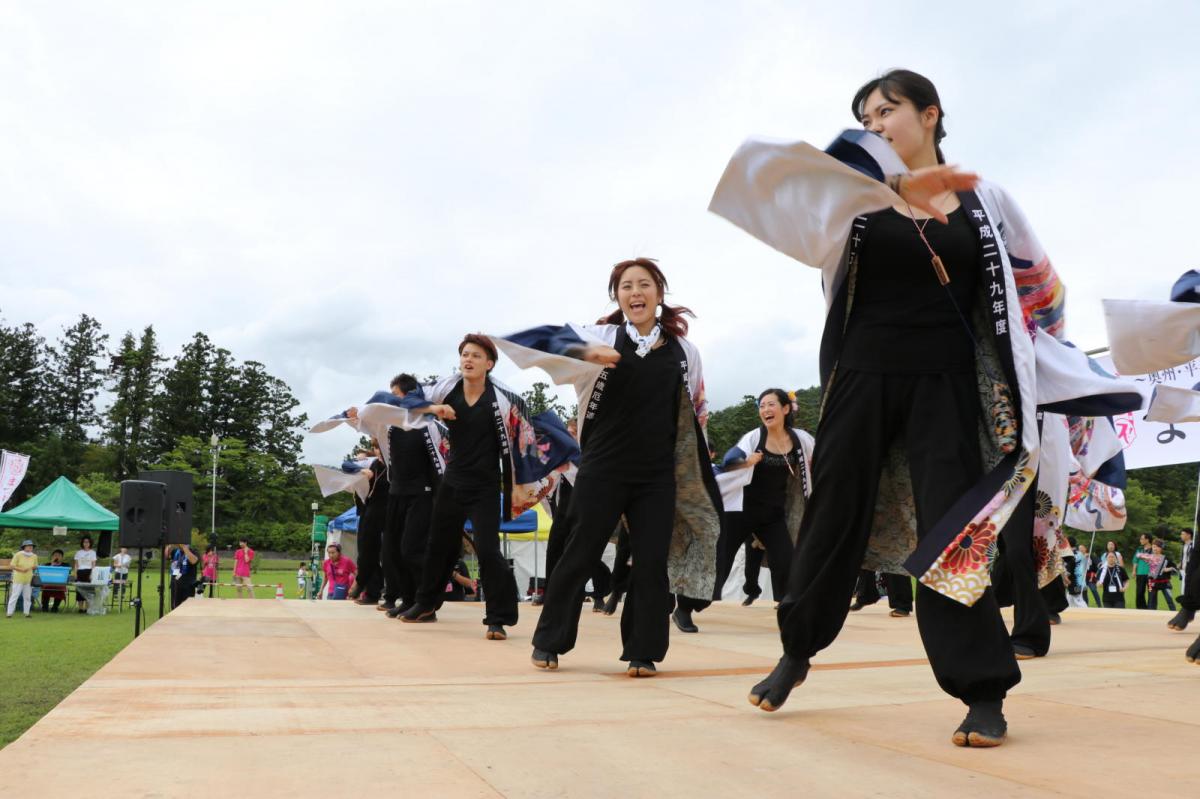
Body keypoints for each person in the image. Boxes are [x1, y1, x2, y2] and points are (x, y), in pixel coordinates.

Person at [708, 68, 1139, 746]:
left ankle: (981, 688)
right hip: (861, 374)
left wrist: (1041, 364)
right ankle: (797, 649)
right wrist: (891, 188)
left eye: (888, 110)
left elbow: (1042, 290)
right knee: (833, 513)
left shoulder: (984, 198)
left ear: (930, 113)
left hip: (948, 382)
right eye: (865, 116)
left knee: (952, 529)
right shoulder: (850, 198)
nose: (876, 123)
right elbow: (773, 184)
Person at [496, 257, 722, 675]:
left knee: (652, 562)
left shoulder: (685, 352)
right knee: (579, 552)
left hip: (658, 473)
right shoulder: (599, 336)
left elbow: (697, 414)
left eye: (644, 284)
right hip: (602, 465)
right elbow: (532, 341)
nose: (635, 293)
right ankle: (550, 641)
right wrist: (583, 349)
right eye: (626, 286)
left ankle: (643, 651)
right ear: (617, 296)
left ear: (659, 292)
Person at [388, 334, 577, 640]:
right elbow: (409, 398)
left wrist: (553, 456)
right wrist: (434, 409)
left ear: (489, 364)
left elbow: (528, 436)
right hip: (453, 480)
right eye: (464, 354)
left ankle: (498, 618)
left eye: (476, 355)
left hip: (486, 485)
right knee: (438, 545)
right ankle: (426, 604)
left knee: (488, 550)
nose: (468, 359)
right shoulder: (446, 387)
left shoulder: (503, 397)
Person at [715, 389, 814, 610]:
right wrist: (747, 462)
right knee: (721, 561)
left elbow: (817, 460)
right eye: (761, 405)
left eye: (771, 404)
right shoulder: (754, 438)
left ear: (786, 408)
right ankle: (687, 606)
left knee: (786, 560)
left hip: (772, 515)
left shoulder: (801, 439)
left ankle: (787, 605)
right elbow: (729, 462)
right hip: (741, 512)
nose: (765, 410)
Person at [6, 540, 37, 618]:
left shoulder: (34, 556)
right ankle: (9, 613)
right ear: (24, 547)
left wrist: (31, 567)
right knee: (15, 595)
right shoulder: (18, 554)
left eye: (31, 546)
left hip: (28, 579)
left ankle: (27, 613)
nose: (30, 547)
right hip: (18, 578)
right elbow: (12, 565)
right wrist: (21, 570)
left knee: (27, 596)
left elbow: (35, 566)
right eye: (28, 546)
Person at [1145, 539, 1178, 612]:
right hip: (1151, 582)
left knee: (1169, 599)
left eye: (1157, 547)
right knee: (1151, 601)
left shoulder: (1166, 558)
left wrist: (1168, 569)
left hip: (1165, 582)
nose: (1155, 548)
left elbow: (1175, 568)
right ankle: (1151, 616)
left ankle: (1174, 614)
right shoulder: (1149, 557)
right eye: (1153, 547)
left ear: (1161, 548)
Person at [167, 544, 199, 610]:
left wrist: (184, 547)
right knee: (174, 608)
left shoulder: (193, 551)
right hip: (175, 584)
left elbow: (194, 561)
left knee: (187, 608)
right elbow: (166, 555)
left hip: (188, 586)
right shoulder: (176, 551)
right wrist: (171, 544)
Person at [73, 535, 97, 613]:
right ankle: (80, 608)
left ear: (90, 543)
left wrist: (92, 574)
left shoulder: (93, 552)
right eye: (84, 542)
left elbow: (93, 564)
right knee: (80, 590)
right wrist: (75, 573)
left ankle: (87, 608)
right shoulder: (78, 552)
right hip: (80, 571)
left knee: (89, 590)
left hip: (89, 571)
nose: (86, 544)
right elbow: (76, 564)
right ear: (82, 543)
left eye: (87, 542)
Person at [1133, 533, 1152, 609]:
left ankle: (1151, 607)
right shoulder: (1139, 549)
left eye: (1142, 539)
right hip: (1140, 573)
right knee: (1139, 592)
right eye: (1140, 539)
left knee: (1151, 591)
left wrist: (1143, 556)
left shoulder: (1153, 549)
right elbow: (1135, 560)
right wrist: (1134, 570)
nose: (1140, 540)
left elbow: (1155, 559)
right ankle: (1141, 608)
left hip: (1150, 574)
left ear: (1147, 540)